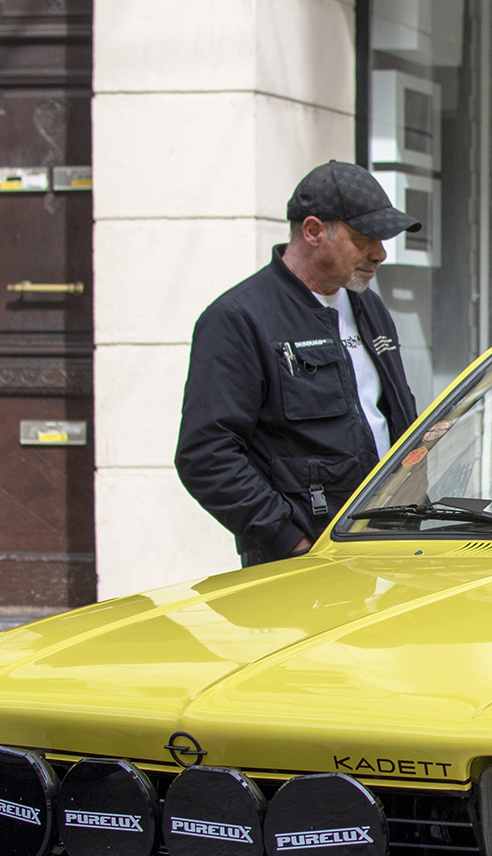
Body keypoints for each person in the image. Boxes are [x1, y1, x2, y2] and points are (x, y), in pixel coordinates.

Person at [177, 160, 421, 566]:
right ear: (312, 231)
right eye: (363, 239)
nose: (379, 253)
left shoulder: (369, 307)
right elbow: (205, 455)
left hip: (389, 550)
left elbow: (392, 419)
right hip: (303, 566)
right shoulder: (240, 318)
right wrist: (290, 541)